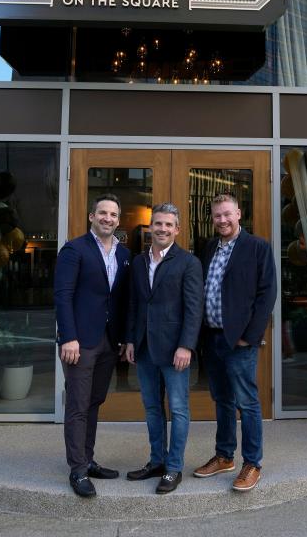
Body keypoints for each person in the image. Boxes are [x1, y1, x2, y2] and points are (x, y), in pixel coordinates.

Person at [193, 194, 277, 492]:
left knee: (247, 402)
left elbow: (267, 294)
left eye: (227, 214)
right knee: (222, 400)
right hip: (211, 338)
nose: (223, 220)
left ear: (239, 213)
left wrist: (250, 336)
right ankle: (224, 456)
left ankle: (252, 463)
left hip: (239, 341)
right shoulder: (208, 247)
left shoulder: (257, 247)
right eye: (217, 215)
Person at [53, 194, 132, 498]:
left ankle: (88, 459)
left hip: (109, 341)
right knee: (77, 404)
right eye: (102, 213)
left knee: (94, 401)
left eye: (113, 214)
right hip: (80, 341)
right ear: (91, 216)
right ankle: (77, 469)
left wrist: (124, 338)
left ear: (118, 220)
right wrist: (68, 337)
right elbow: (62, 296)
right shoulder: (75, 250)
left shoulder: (124, 254)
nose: (108, 218)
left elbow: (122, 301)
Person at [124, 203, 204, 494]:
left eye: (169, 225)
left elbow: (194, 310)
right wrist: (131, 339)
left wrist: (186, 346)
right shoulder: (138, 262)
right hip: (144, 347)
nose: (163, 229)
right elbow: (134, 303)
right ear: (151, 226)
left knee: (179, 409)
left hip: (175, 351)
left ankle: (173, 468)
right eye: (158, 223)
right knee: (152, 407)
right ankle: (156, 461)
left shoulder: (188, 263)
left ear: (177, 229)